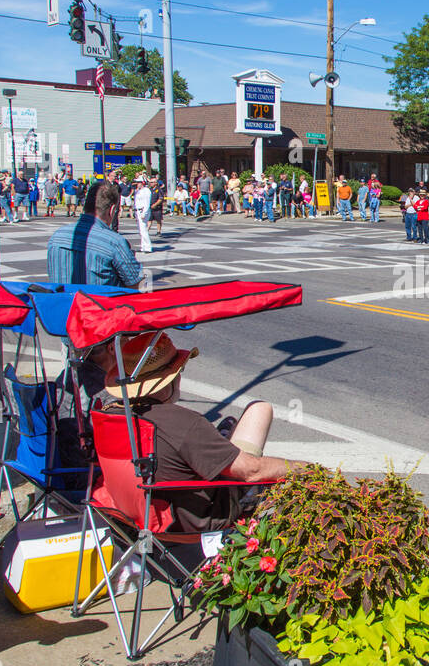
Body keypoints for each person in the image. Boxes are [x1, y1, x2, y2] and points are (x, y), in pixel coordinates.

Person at [104, 332, 303, 532]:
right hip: (196, 518)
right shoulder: (180, 422)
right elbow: (252, 471)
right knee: (260, 409)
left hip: (131, 510)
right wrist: (306, 468)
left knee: (231, 427)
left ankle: (222, 438)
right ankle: (224, 440)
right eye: (179, 371)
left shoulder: (110, 414)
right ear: (169, 379)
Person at [46, 182, 145, 287]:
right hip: (99, 301)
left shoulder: (56, 237)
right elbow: (137, 284)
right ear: (111, 210)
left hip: (63, 301)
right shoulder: (114, 242)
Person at [133, 175, 154, 255]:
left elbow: (146, 203)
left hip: (143, 210)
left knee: (143, 230)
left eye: (138, 182)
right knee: (140, 230)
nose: (137, 184)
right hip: (137, 210)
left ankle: (148, 247)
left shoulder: (146, 190)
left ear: (143, 182)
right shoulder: (138, 191)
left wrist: (144, 213)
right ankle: (143, 246)